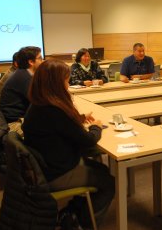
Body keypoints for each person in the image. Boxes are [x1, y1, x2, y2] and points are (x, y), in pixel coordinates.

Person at [22, 59, 114, 227]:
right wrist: (96, 127)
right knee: (108, 182)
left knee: (101, 169)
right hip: (57, 173)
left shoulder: (39, 104)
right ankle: (82, 222)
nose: (68, 83)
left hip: (47, 166)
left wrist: (79, 118)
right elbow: (88, 140)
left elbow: (59, 125)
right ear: (56, 83)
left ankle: (74, 210)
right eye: (66, 79)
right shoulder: (54, 110)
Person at [0, 46, 43, 135]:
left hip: (17, 118)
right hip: (15, 123)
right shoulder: (24, 77)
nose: (42, 61)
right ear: (31, 62)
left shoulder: (23, 73)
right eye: (40, 58)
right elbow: (39, 101)